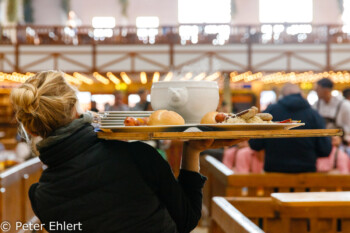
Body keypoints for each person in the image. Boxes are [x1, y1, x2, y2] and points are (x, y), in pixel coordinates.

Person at [10, 71, 241, 233]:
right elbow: (187, 220)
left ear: (30, 128)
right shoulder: (137, 156)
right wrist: (192, 149)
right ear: (75, 108)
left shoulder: (41, 197)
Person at [249, 83, 332, 173]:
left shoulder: (270, 113)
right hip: (306, 175)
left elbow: (255, 144)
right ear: (300, 94)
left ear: (282, 95)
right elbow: (325, 150)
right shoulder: (314, 115)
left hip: (274, 175)